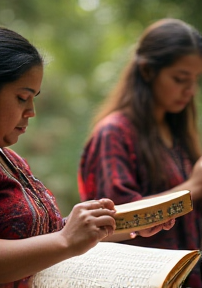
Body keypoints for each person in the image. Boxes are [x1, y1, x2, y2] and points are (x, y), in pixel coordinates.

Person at [0, 26, 175, 288]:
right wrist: (65, 241)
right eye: (22, 98)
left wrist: (126, 224)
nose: (31, 111)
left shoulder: (6, 158)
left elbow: (43, 237)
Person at [78, 18, 202, 287]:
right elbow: (115, 221)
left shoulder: (177, 134)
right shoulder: (114, 134)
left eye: (195, 80)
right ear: (147, 71)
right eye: (180, 79)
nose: (189, 91)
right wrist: (192, 186)